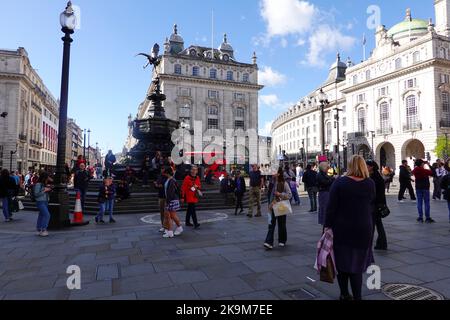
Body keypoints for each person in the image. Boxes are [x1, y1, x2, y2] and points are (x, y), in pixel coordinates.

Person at [324, 155, 375, 301]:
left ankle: (344, 293)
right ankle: (357, 296)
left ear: (349, 166)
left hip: (342, 228)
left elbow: (331, 208)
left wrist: (327, 226)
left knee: (342, 262)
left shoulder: (340, 183)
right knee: (357, 264)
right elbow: (371, 201)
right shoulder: (370, 183)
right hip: (364, 228)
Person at [264, 167, 292, 250]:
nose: (272, 174)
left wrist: (280, 194)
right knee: (271, 224)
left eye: (274, 172)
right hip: (272, 206)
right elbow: (269, 195)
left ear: (278, 174)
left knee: (282, 224)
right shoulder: (271, 183)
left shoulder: (284, 183)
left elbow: (289, 195)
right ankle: (269, 242)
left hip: (280, 205)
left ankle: (282, 240)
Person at [366, 160, 388, 251]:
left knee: (373, 225)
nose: (366, 167)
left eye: (367, 165)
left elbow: (374, 193)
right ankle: (382, 243)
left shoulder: (374, 178)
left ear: (371, 167)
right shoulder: (376, 176)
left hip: (375, 204)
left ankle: (375, 243)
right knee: (378, 224)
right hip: (378, 203)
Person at [163, 167, 183, 238]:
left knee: (172, 216)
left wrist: (167, 202)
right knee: (170, 216)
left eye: (164, 172)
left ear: (167, 173)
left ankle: (175, 229)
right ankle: (171, 231)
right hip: (172, 199)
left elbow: (170, 192)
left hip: (171, 200)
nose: (163, 173)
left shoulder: (171, 180)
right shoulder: (170, 180)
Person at [412, 159, 435, 223]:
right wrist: (428, 164)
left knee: (419, 203)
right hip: (425, 188)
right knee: (427, 203)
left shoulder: (415, 170)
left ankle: (420, 217)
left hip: (418, 188)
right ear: (422, 164)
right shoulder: (425, 170)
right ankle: (427, 218)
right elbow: (433, 172)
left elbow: (412, 171)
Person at [33, 172, 53, 237]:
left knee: (41, 215)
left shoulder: (44, 184)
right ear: (44, 177)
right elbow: (36, 194)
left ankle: (39, 229)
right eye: (47, 177)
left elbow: (52, 181)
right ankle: (44, 229)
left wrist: (48, 189)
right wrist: (45, 190)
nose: (48, 178)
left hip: (45, 201)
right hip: (40, 202)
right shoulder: (38, 184)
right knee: (47, 215)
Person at [317, 162, 335, 226]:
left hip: (327, 192)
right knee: (324, 208)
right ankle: (324, 222)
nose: (328, 168)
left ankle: (326, 222)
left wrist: (332, 177)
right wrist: (333, 178)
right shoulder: (319, 175)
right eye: (327, 167)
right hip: (324, 193)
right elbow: (325, 182)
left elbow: (330, 177)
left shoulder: (324, 173)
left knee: (326, 208)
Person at [154, 167, 167, 232]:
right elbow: (156, 184)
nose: (162, 169)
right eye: (161, 168)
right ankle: (163, 226)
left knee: (166, 213)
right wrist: (157, 185)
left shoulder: (167, 176)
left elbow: (164, 185)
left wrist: (159, 185)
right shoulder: (159, 176)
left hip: (166, 197)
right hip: (160, 196)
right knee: (162, 212)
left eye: (163, 168)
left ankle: (167, 226)